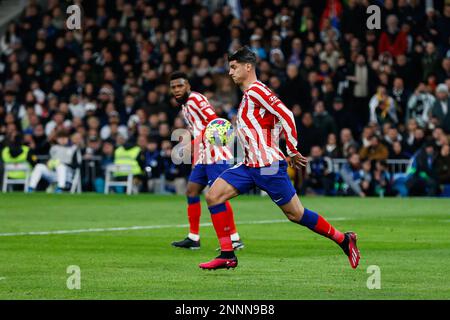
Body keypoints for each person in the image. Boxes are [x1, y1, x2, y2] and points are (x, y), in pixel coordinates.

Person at [199, 46, 360, 270]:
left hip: (268, 166)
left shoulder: (257, 90)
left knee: (296, 214)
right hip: (249, 166)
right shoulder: (247, 96)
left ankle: (344, 239)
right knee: (213, 196)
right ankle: (227, 254)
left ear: (248, 67)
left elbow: (286, 113)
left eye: (234, 67)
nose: (230, 72)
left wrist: (292, 148)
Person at [169, 71, 243, 250]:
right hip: (203, 155)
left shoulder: (196, 100)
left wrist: (191, 145)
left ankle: (234, 238)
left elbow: (215, 123)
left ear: (188, 86)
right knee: (192, 191)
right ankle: (193, 237)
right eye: (173, 87)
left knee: (218, 195)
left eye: (180, 85)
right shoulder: (185, 105)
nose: (177, 90)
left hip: (216, 153)